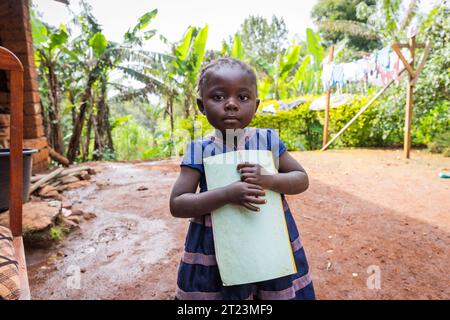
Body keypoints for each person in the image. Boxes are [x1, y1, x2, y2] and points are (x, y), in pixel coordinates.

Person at [170, 58, 315, 300]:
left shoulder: (268, 141)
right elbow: (178, 203)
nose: (231, 105)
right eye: (218, 97)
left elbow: (301, 179)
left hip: (269, 241)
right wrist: (227, 194)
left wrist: (269, 180)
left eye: (243, 98)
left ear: (256, 105)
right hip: (217, 248)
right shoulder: (199, 150)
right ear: (201, 105)